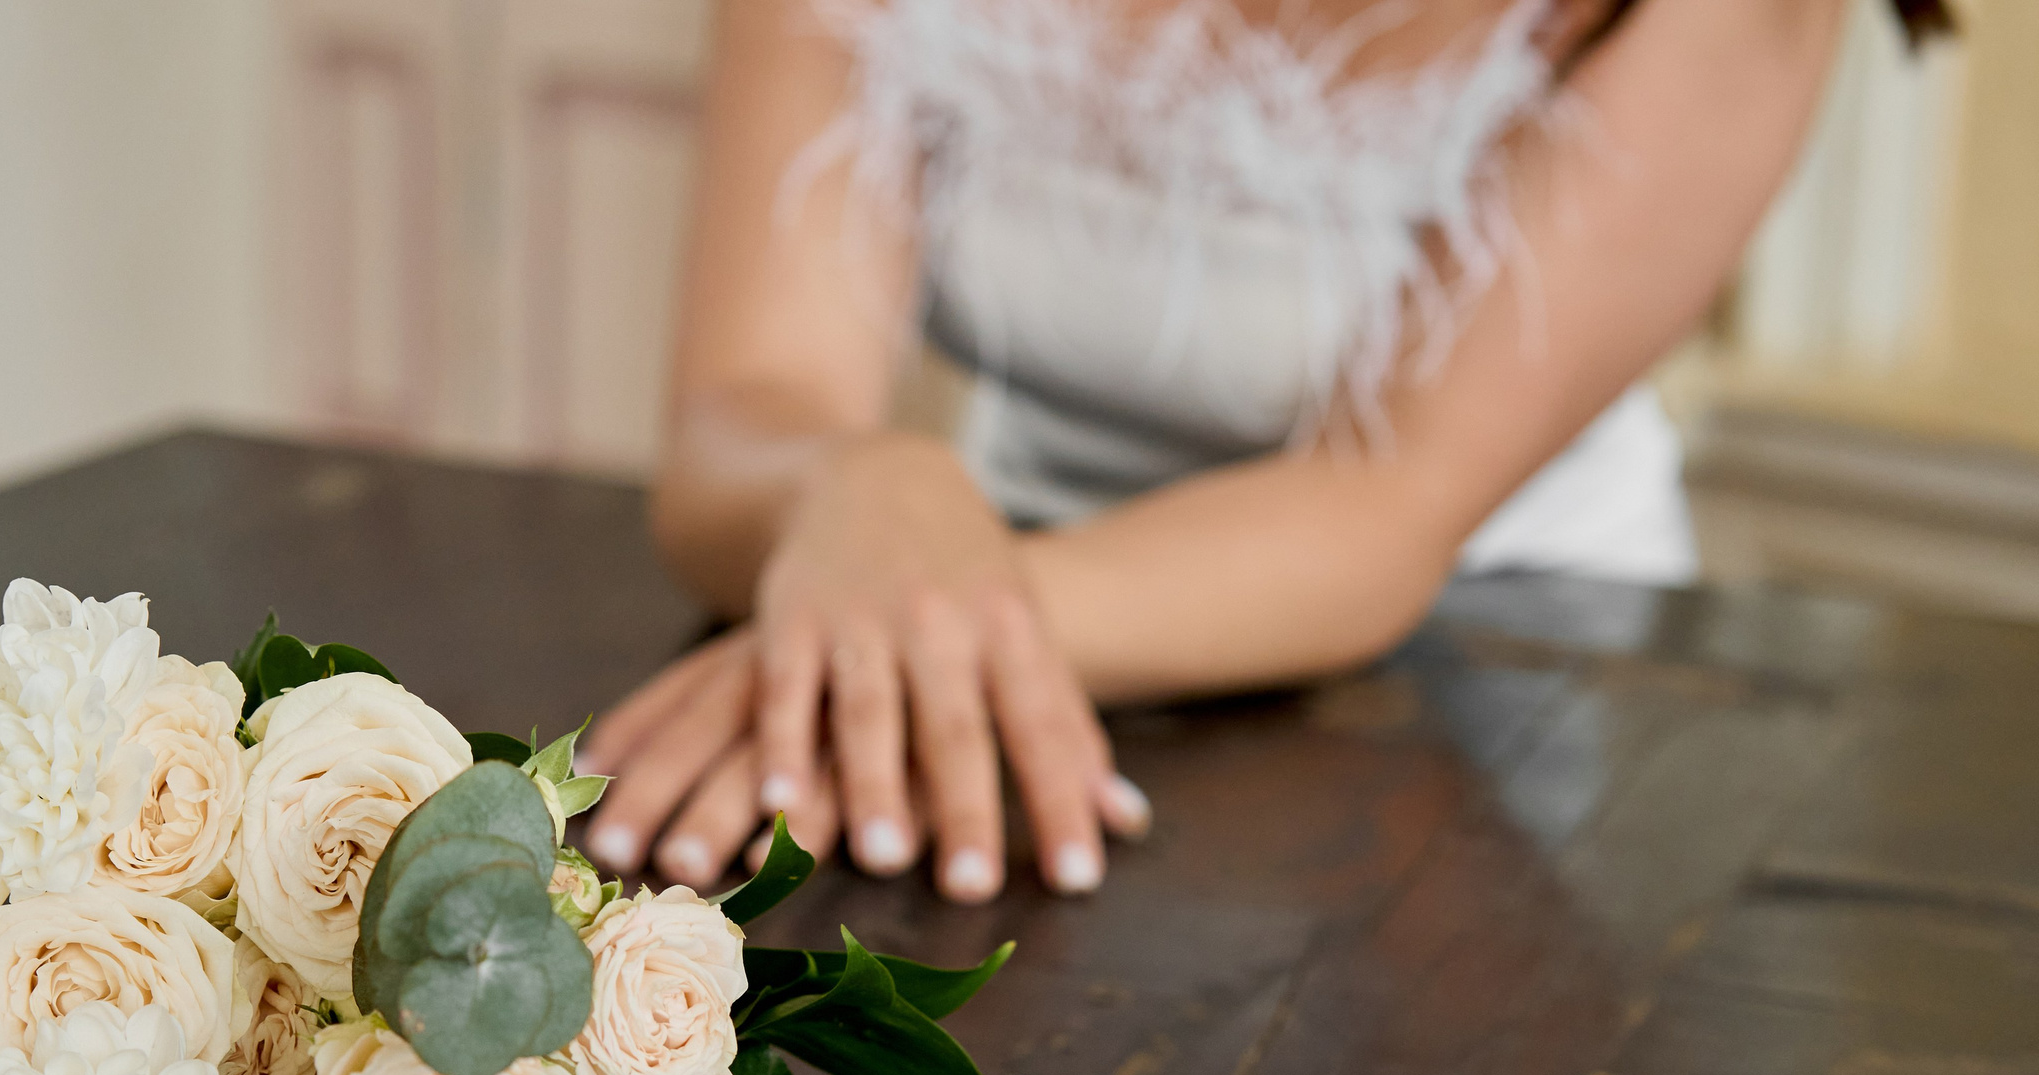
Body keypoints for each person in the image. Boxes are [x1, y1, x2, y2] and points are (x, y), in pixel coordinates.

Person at [575, 0, 1947, 904]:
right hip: (984, 601)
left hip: (1517, 686)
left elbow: (1380, 506)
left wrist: (898, 628)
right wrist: (859, 487)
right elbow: (752, 399)